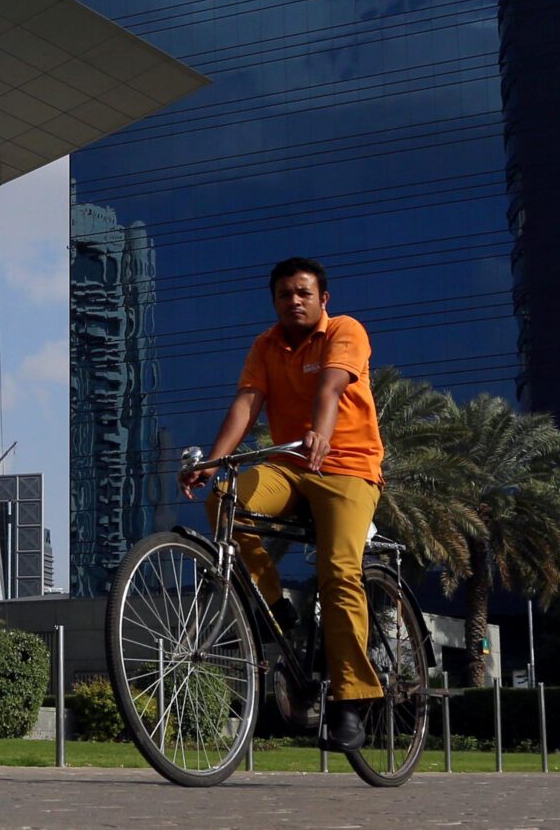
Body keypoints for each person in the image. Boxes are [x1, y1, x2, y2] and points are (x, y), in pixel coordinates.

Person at [180, 257, 384, 752]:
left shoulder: (345, 330)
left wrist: (321, 433)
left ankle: (350, 701)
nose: (293, 300)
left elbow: (331, 386)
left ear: (322, 298)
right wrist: (214, 460)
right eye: (283, 295)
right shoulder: (265, 345)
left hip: (349, 466)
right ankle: (277, 604)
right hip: (290, 464)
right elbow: (248, 403)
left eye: (303, 292)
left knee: (339, 572)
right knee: (225, 499)